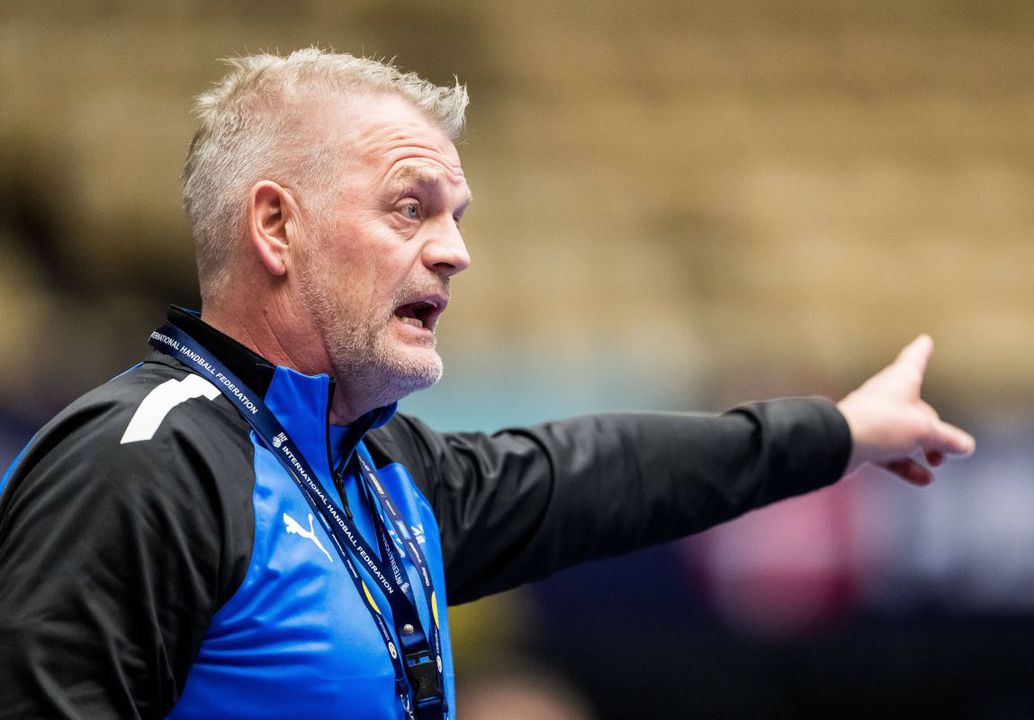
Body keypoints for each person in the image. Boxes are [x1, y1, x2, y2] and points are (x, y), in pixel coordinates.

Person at [0, 48, 974, 720]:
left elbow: (598, 472)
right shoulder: (143, 464)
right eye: (410, 208)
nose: (455, 251)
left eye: (456, 216)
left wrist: (839, 433)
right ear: (276, 227)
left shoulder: (376, 473)